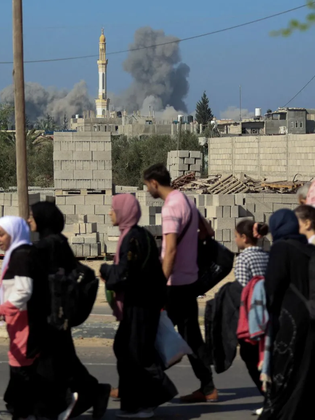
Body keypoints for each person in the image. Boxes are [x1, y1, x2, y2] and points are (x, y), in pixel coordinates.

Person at [28, 201, 111, 420]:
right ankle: (95, 392)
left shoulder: (47, 246)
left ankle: (51, 408)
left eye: (32, 216)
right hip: (59, 313)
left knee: (52, 363)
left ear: (43, 219)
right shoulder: (59, 242)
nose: (29, 220)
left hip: (52, 314)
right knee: (65, 360)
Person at [143, 164, 217, 403]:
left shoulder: (171, 208)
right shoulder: (185, 200)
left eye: (146, 186)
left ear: (154, 183)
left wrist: (159, 284)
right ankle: (207, 387)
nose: (147, 190)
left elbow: (171, 250)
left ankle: (139, 385)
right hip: (190, 280)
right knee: (191, 337)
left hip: (173, 284)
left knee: (153, 333)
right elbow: (208, 231)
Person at [100, 194, 178, 418]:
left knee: (136, 354)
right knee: (126, 349)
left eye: (114, 208)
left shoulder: (132, 238)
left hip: (140, 305)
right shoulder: (140, 234)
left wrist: (106, 271)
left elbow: (125, 273)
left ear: (124, 211)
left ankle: (149, 399)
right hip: (144, 303)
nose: (110, 212)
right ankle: (133, 400)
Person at [0, 216, 48, 420]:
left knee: (21, 367)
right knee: (28, 368)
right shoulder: (21, 252)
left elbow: (23, 291)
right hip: (22, 321)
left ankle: (21, 411)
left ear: (14, 233)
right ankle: (29, 409)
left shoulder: (21, 255)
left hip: (24, 322)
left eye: (1, 234)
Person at [259, 209, 315, 420]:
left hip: (288, 320)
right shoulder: (307, 249)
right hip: (310, 319)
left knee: (283, 376)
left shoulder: (281, 247)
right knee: (302, 376)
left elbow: (272, 288)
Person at [233, 220, 269, 401]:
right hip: (266, 311)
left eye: (236, 236)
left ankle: (267, 396)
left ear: (244, 238)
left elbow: (241, 288)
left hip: (250, 313)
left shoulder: (243, 258)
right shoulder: (266, 255)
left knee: (250, 355)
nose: (235, 240)